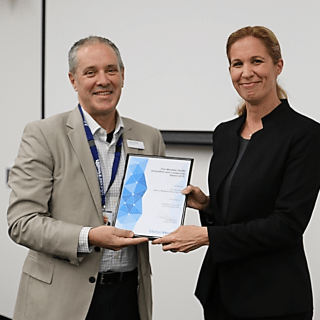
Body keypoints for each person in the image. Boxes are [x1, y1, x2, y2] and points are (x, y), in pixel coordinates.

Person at [153, 26, 320, 319]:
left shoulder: (305, 134)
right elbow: (236, 213)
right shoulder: (225, 133)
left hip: (274, 300)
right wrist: (206, 205)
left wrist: (207, 236)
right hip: (220, 293)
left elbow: (287, 225)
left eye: (257, 61)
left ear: (278, 66)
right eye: (237, 64)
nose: (246, 73)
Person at [7, 36, 165, 320]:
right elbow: (22, 223)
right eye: (90, 72)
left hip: (128, 296)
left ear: (123, 75)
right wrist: (89, 237)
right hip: (60, 301)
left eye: (111, 70)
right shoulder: (43, 134)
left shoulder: (149, 137)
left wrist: (178, 207)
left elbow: (153, 212)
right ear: (73, 80)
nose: (103, 80)